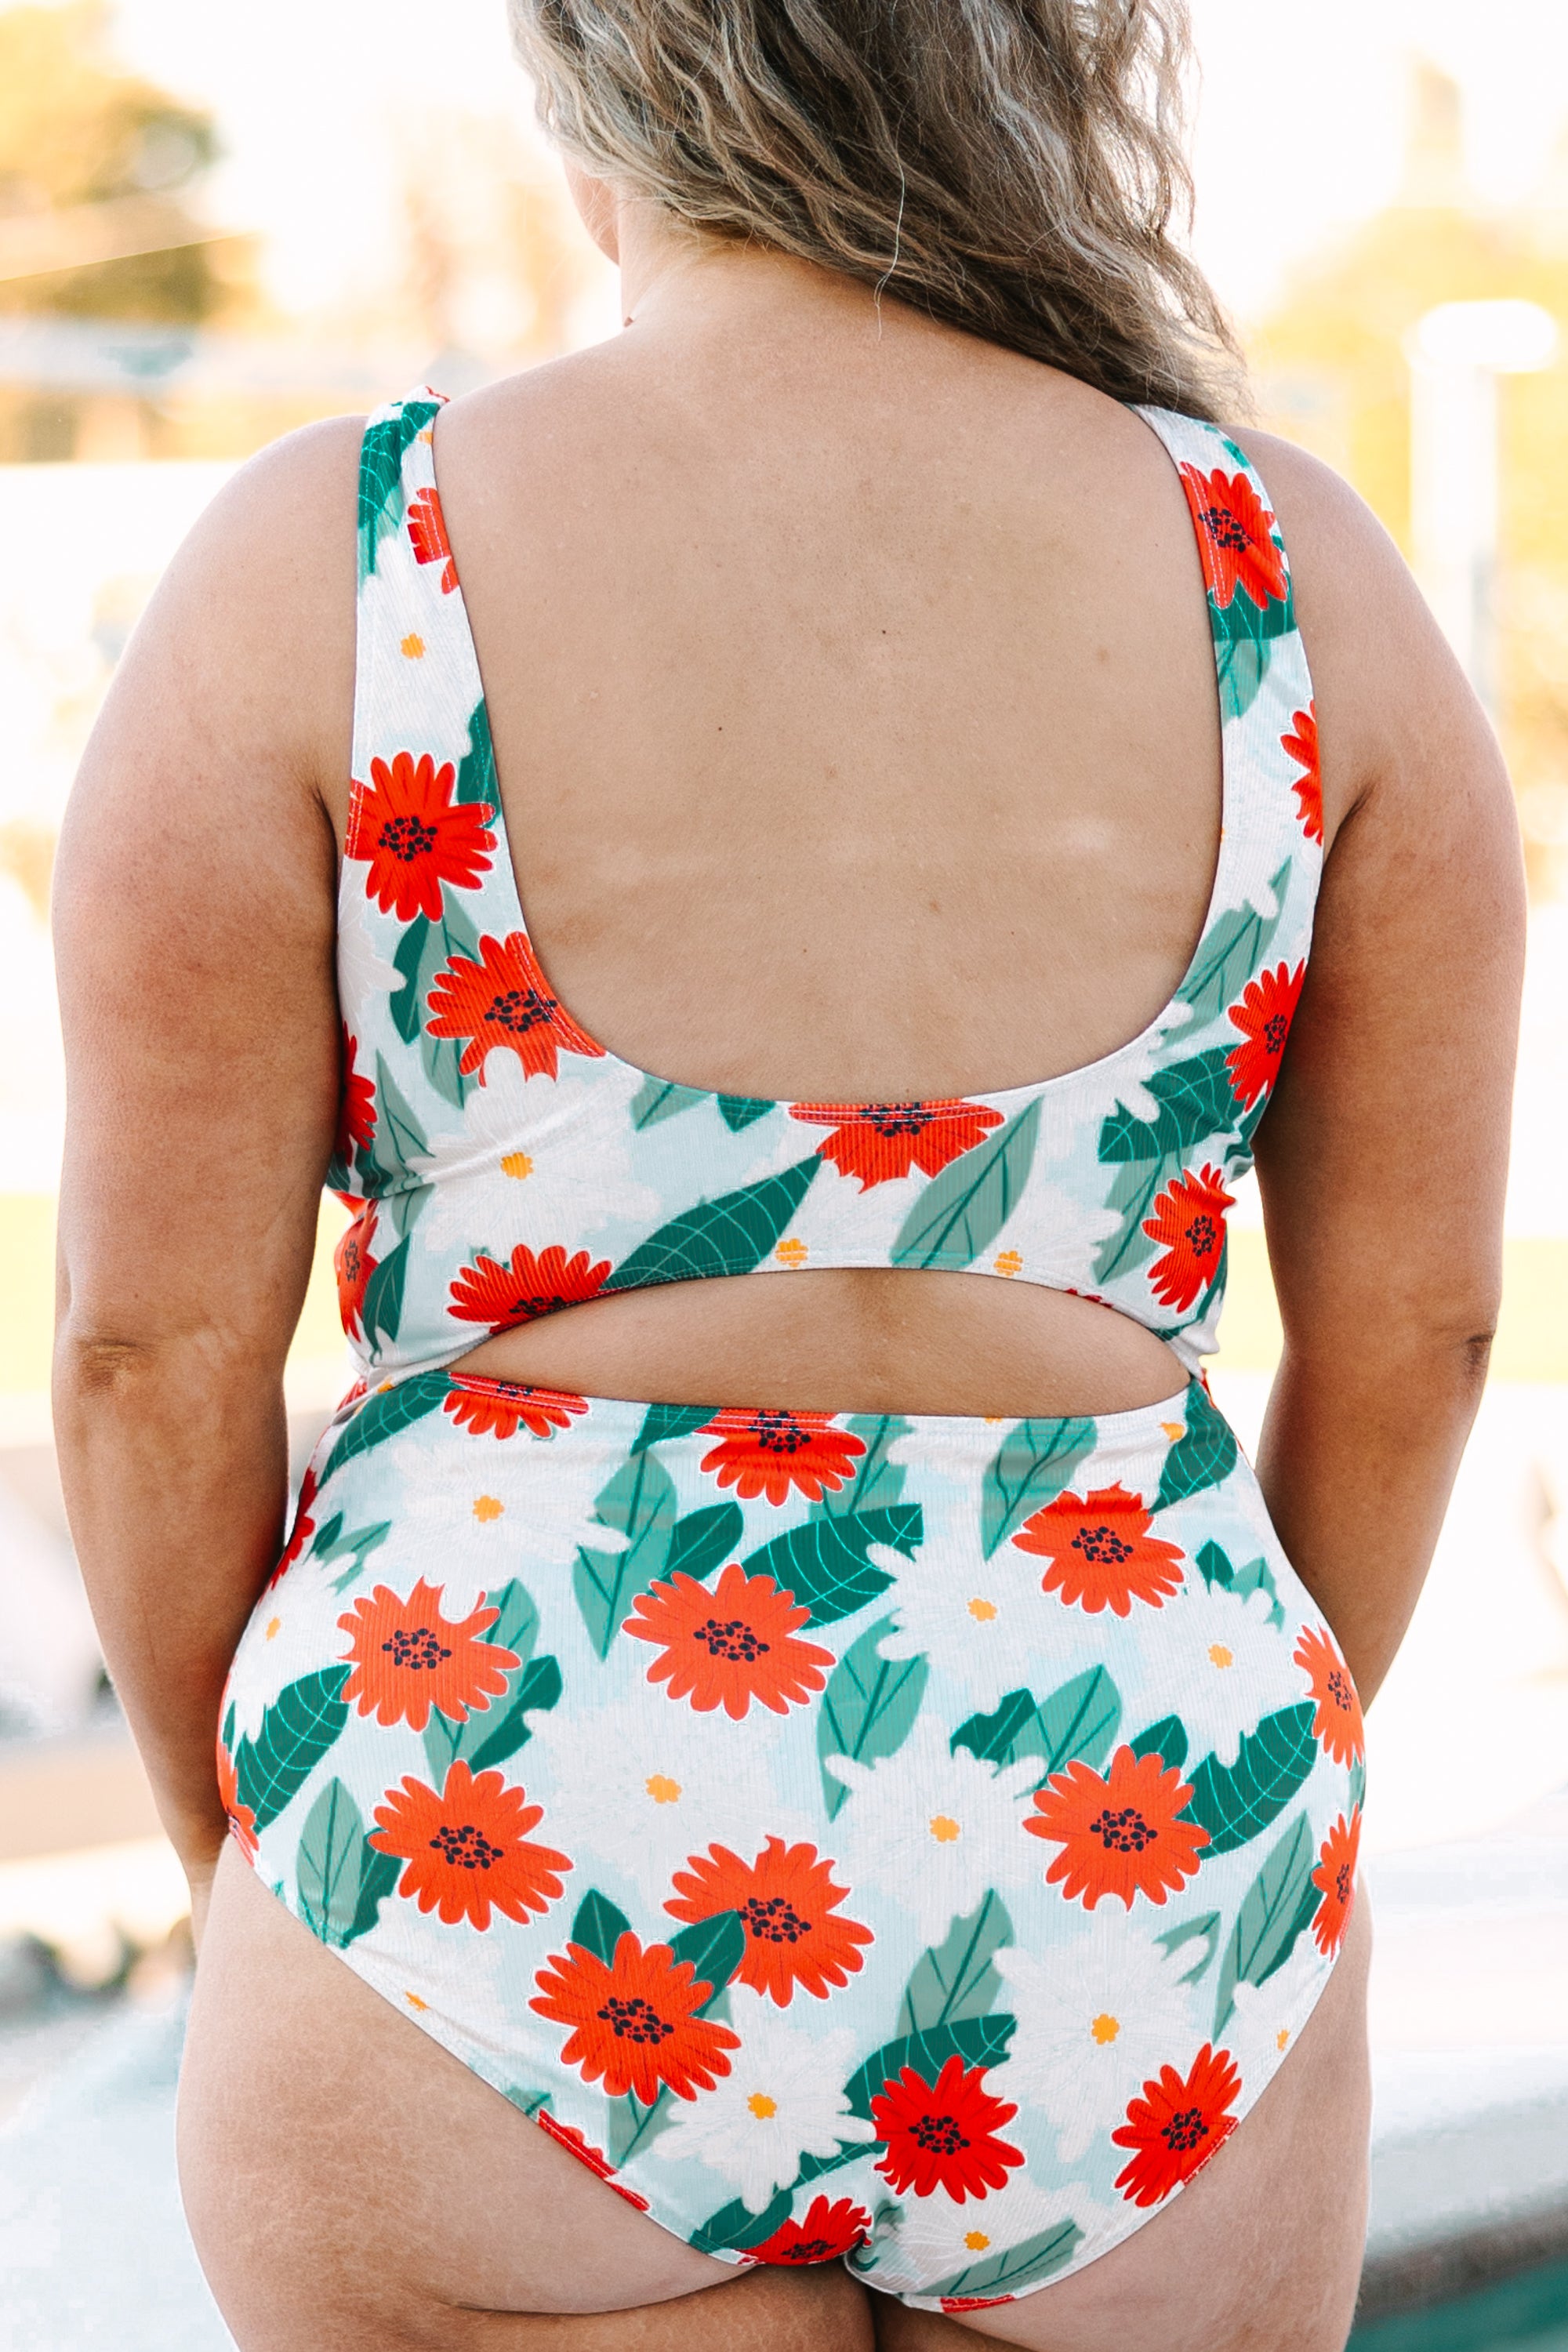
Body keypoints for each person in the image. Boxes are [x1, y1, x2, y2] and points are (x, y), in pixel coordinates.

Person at [50, 3, 1523, 2347]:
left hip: (494, 1773)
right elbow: (1418, 1342)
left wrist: (263, 1855)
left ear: (600, 102)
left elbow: (150, 1355)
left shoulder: (339, 557)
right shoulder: (1290, 569)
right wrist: (1254, 1759)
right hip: (1122, 1777)